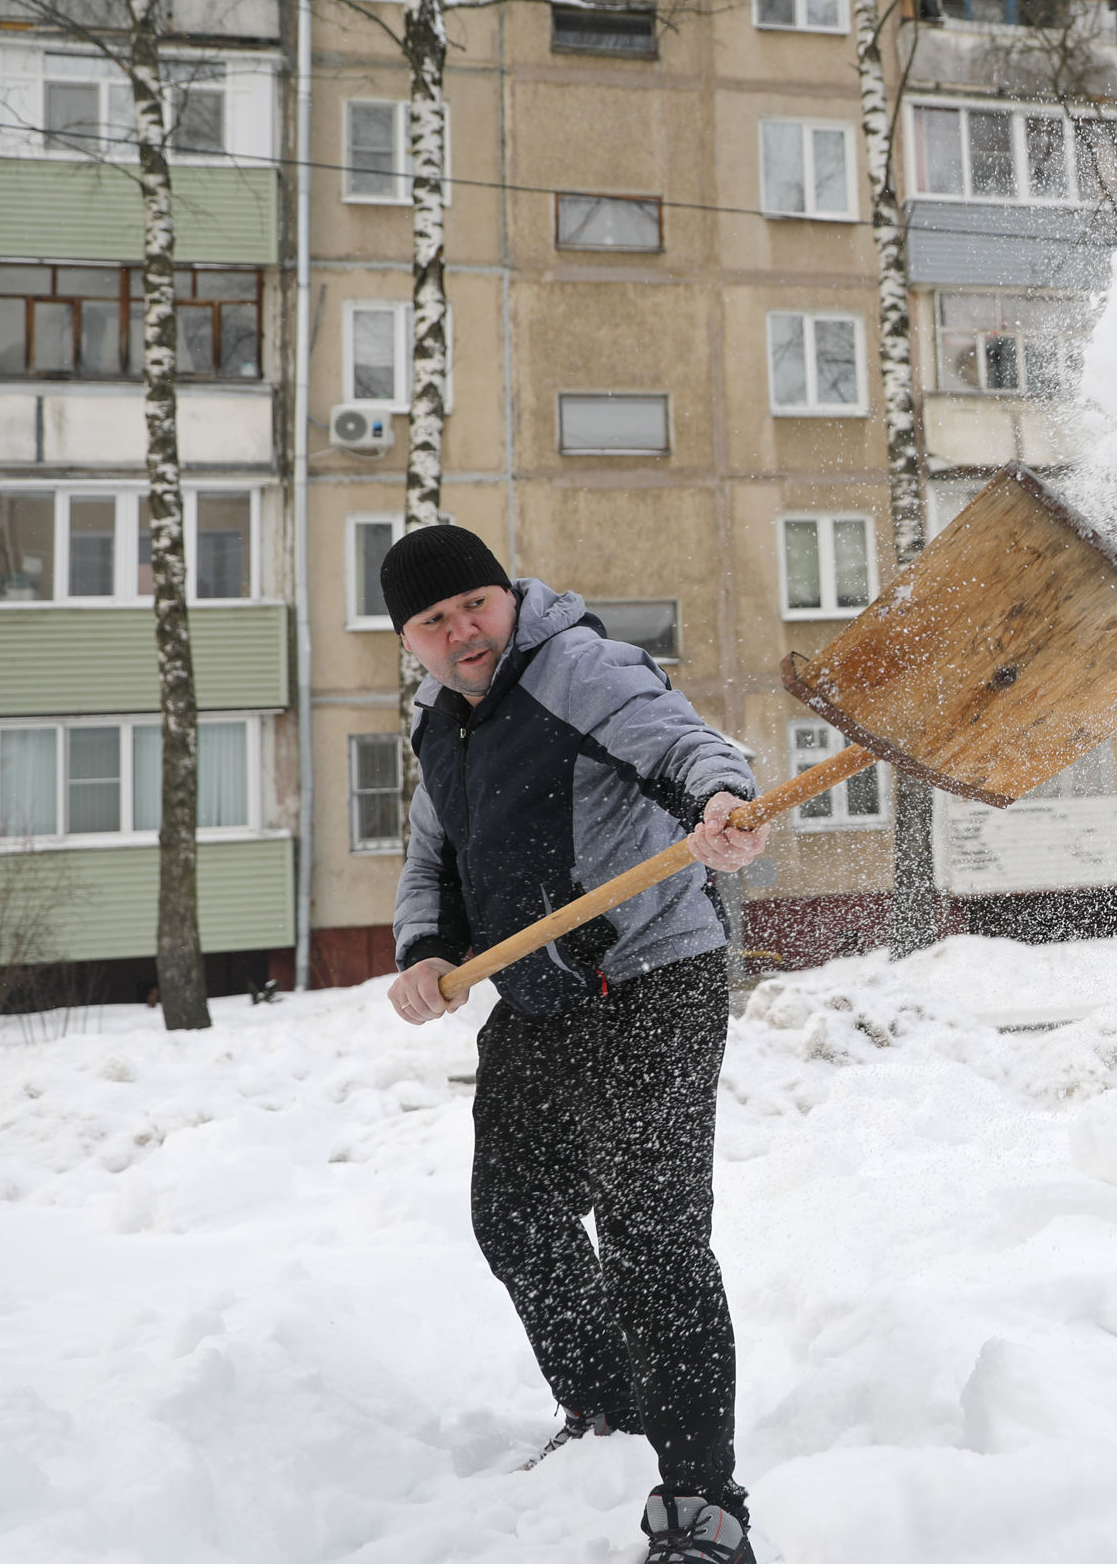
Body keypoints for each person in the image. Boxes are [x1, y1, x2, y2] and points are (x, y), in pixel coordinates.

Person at [380, 523, 766, 1564]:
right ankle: (607, 1405)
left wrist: (719, 801)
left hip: (651, 977)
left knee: (651, 1237)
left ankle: (701, 1503)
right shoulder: (438, 721)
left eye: (476, 602)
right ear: (409, 640)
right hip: (543, 998)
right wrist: (426, 949)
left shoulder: (575, 666)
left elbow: (681, 742)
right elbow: (434, 856)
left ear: (507, 596)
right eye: (434, 618)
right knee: (514, 1212)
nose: (463, 627)